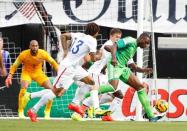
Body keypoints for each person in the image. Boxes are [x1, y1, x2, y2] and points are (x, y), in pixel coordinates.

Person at [25, 23, 110, 122]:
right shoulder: (92, 40)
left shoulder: (79, 35)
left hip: (75, 68)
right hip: (67, 68)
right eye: (97, 32)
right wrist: (102, 56)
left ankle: (83, 106)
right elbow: (93, 58)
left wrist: (65, 51)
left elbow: (63, 36)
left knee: (91, 82)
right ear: (95, 32)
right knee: (57, 93)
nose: (97, 34)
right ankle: (33, 110)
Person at [104, 33, 163, 122]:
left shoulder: (133, 48)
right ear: (142, 39)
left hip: (123, 68)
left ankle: (151, 116)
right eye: (146, 43)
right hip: (115, 65)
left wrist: (144, 70)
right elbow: (114, 45)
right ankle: (92, 92)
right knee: (112, 88)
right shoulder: (130, 40)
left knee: (140, 88)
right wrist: (113, 58)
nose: (146, 45)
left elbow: (133, 67)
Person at [67, 28, 123, 120]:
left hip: (103, 75)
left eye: (119, 38)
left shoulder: (114, 46)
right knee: (97, 92)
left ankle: (103, 115)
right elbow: (107, 60)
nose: (118, 39)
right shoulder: (109, 45)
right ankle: (86, 110)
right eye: (116, 37)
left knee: (115, 95)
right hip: (97, 73)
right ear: (111, 36)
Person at [5, 40, 58, 119]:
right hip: (27, 73)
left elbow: (53, 62)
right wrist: (10, 76)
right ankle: (20, 111)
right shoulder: (23, 54)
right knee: (23, 88)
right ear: (30, 46)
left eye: (36, 46)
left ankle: (47, 112)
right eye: (33, 46)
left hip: (38, 73)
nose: (34, 47)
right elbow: (15, 65)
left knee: (52, 90)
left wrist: (59, 71)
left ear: (38, 47)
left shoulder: (43, 53)